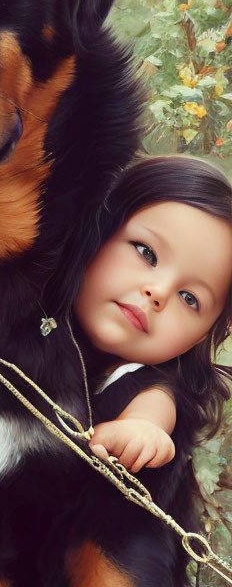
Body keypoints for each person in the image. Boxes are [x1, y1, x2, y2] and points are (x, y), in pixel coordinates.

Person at [73, 155, 232, 476]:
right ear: (101, 227)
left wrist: (144, 430)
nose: (158, 292)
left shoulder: (144, 382)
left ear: (202, 335)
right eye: (147, 253)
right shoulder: (16, 298)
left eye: (189, 298)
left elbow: (152, 408)